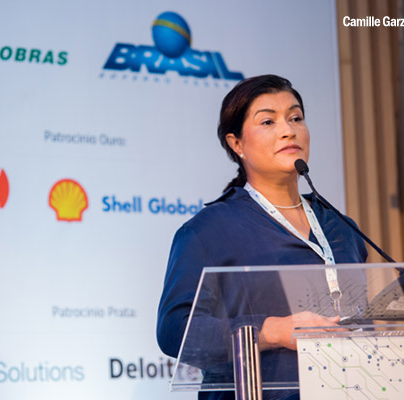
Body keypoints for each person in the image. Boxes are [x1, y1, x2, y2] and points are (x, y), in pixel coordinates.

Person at [156, 75, 368, 400]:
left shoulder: (342, 228)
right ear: (237, 144)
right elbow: (175, 330)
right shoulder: (208, 230)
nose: (288, 130)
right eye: (268, 121)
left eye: (296, 118)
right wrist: (271, 331)